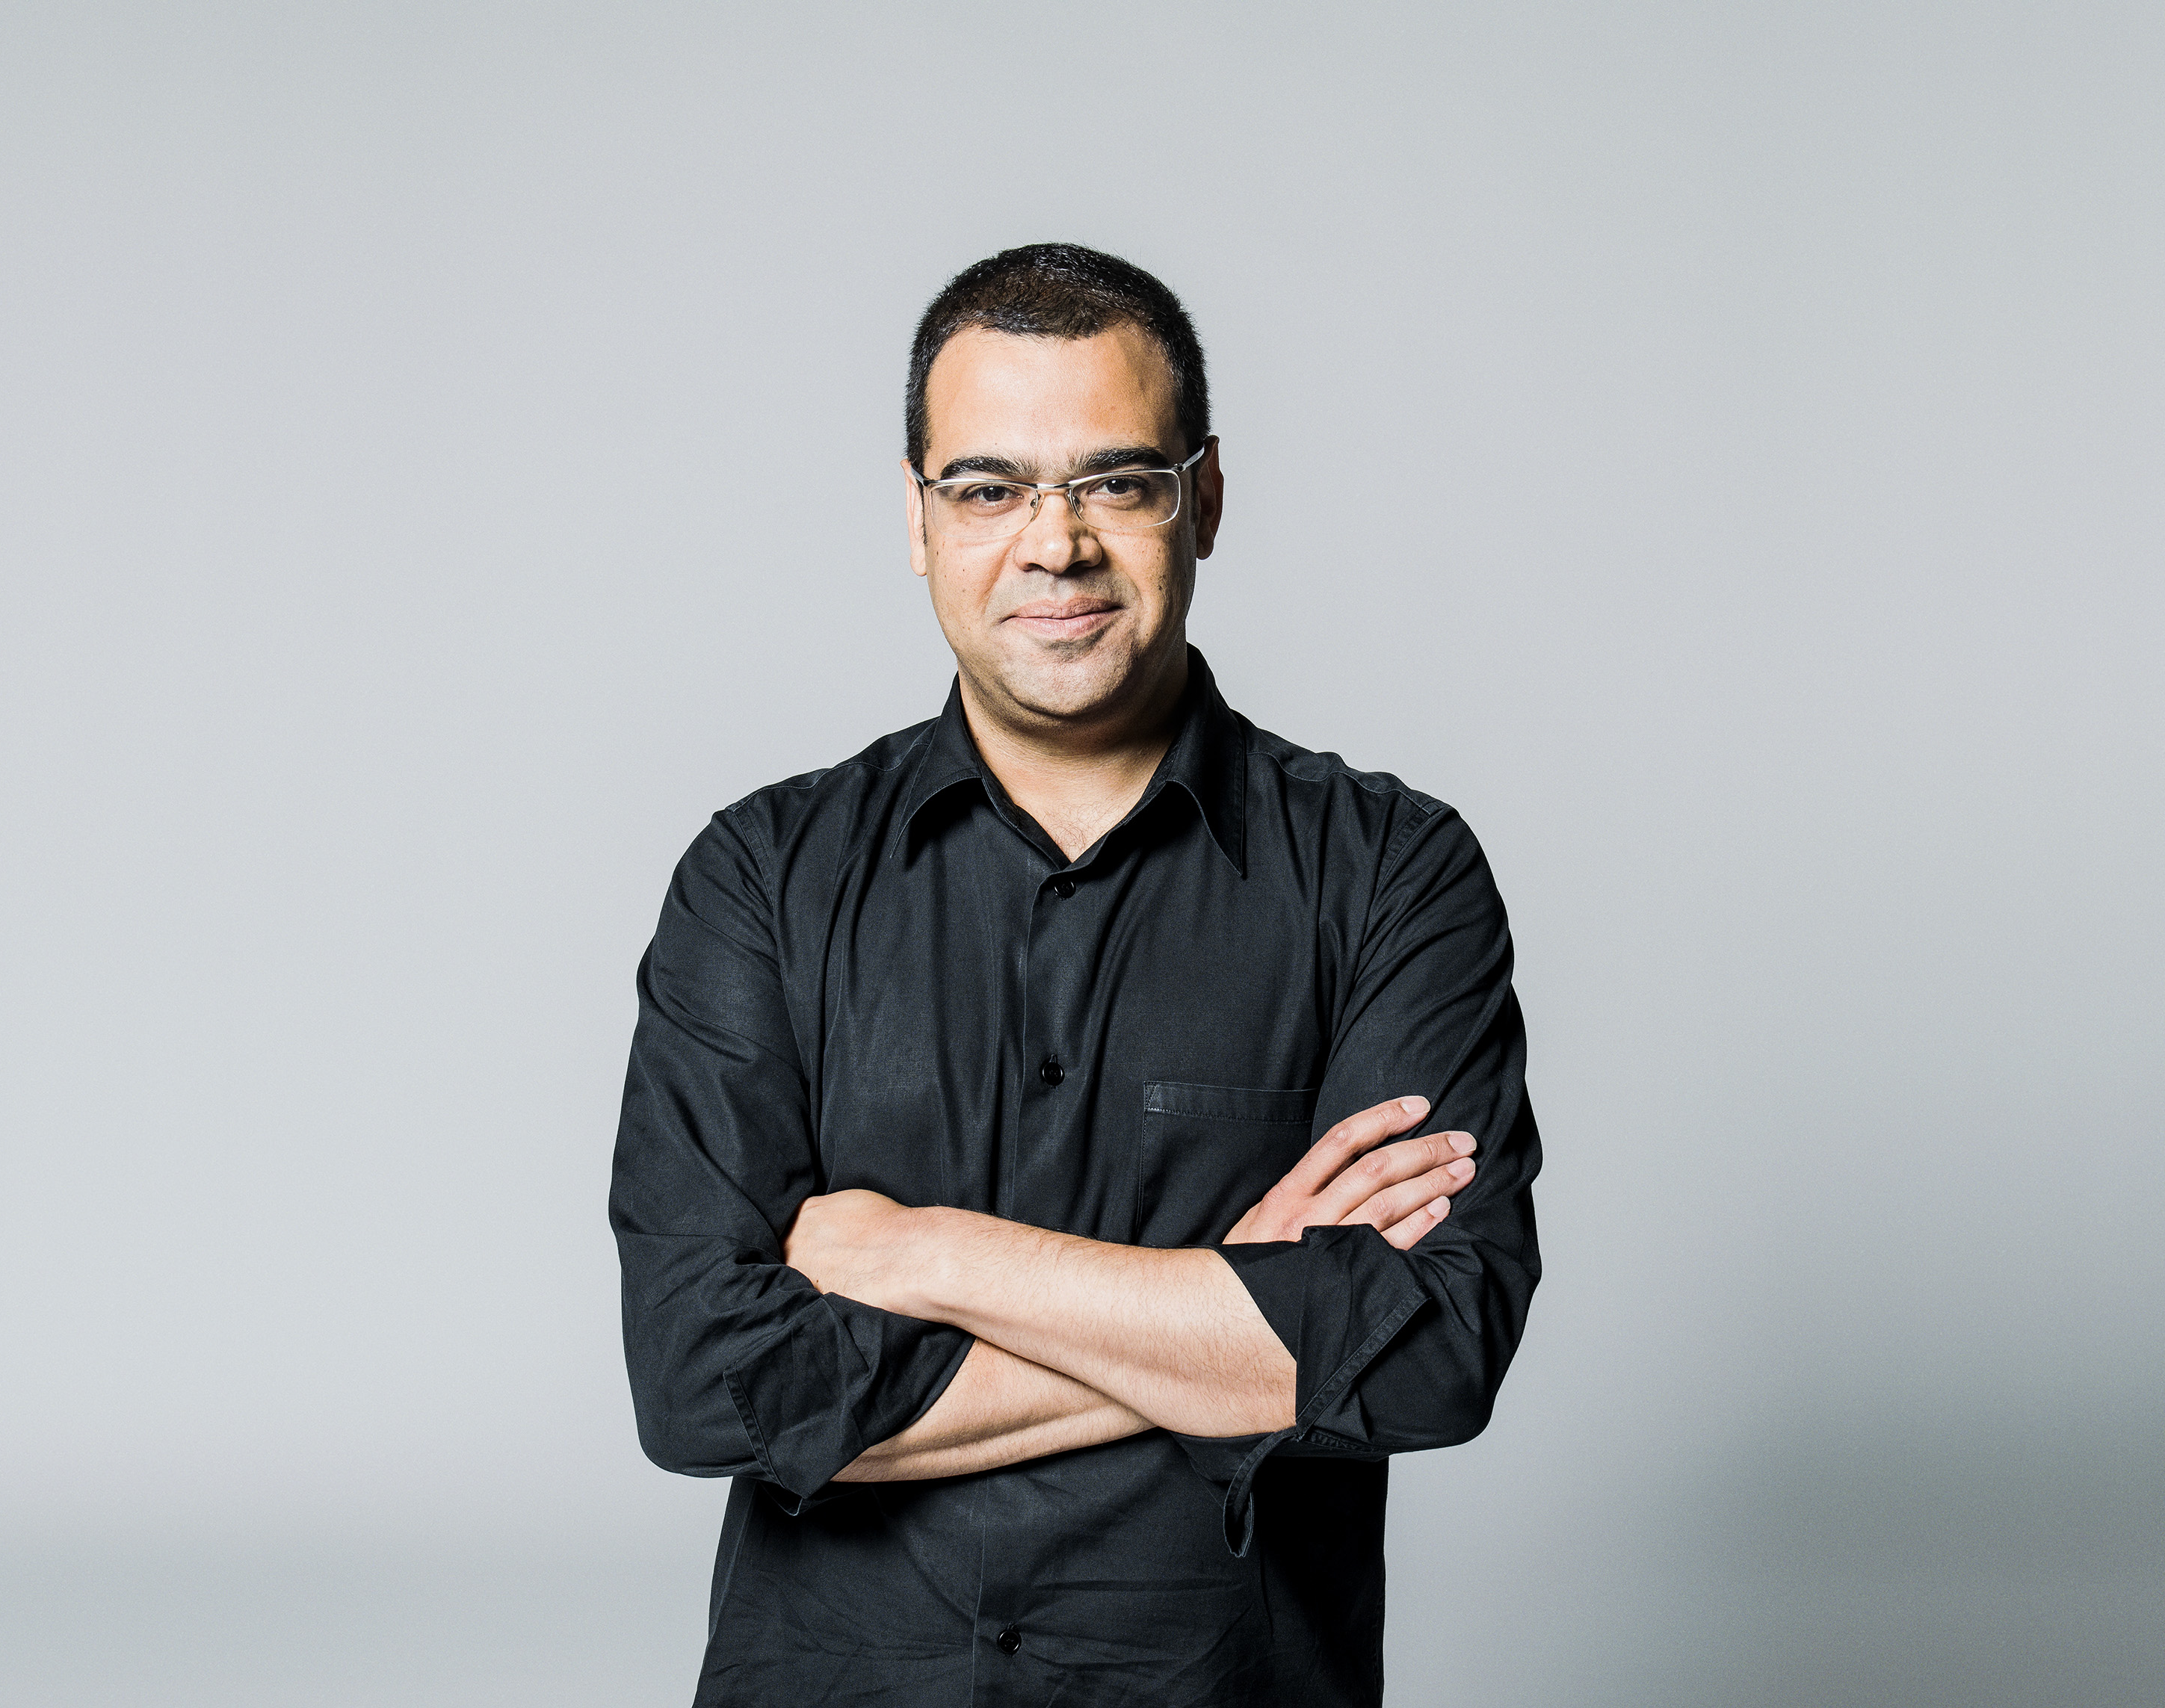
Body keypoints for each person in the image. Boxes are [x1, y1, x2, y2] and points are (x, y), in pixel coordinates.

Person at [611, 243, 1542, 1707]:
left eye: (1115, 481)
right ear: (917, 517)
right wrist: (1234, 1310)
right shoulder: (759, 879)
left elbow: (1427, 1355)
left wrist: (926, 1254)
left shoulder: (1387, 874)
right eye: (987, 488)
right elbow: (699, 1382)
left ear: (1203, 499)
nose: (1054, 544)